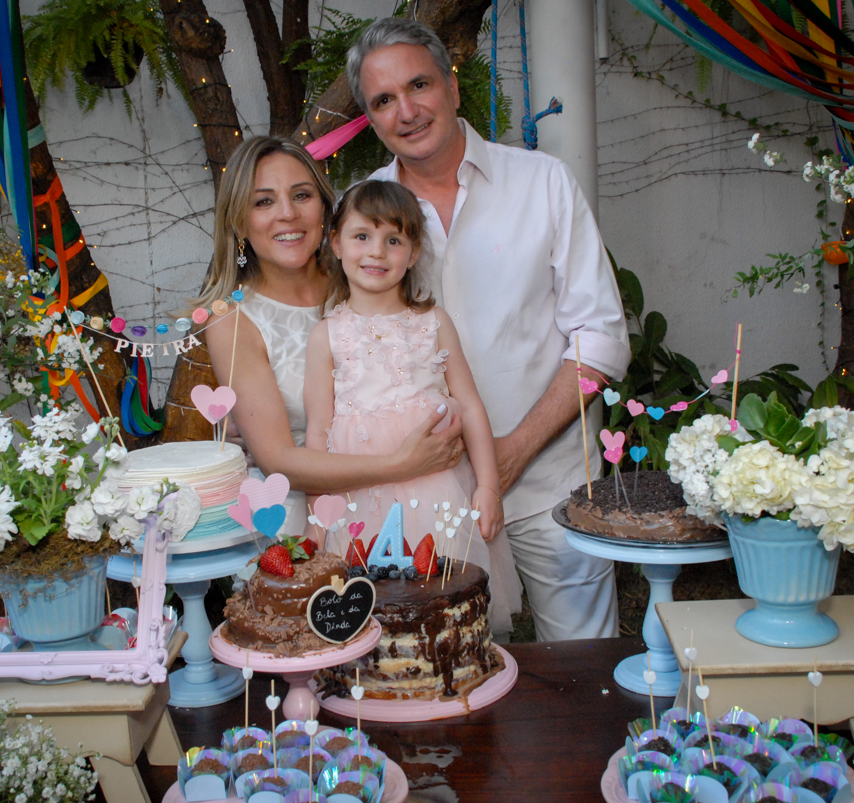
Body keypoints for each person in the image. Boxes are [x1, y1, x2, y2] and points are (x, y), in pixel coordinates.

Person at [346, 18, 632, 640]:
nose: (407, 111)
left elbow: (601, 338)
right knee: (449, 669)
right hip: (424, 500)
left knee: (583, 662)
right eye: (384, 100)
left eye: (419, 85)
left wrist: (513, 453)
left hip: (552, 479)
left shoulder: (543, 182)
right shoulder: (362, 215)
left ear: (452, 85)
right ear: (370, 119)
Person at [191, 136, 467, 539]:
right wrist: (401, 464)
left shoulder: (368, 278)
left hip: (420, 503)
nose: (287, 213)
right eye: (264, 201)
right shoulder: (232, 320)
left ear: (325, 208)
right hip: (306, 523)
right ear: (239, 221)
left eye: (301, 195)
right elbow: (277, 460)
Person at [303, 180, 523, 633]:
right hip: (356, 497)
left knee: (441, 607)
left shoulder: (433, 322)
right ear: (336, 244)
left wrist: (488, 486)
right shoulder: (326, 335)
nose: (376, 252)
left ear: (414, 251)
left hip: (437, 492)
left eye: (393, 240)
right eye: (362, 236)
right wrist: (317, 518)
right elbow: (318, 432)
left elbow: (471, 407)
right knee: (370, 613)